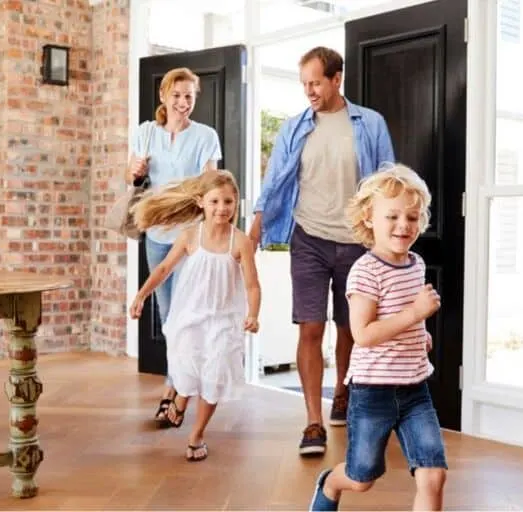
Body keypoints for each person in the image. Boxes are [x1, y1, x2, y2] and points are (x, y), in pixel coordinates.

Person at [249, 46, 396, 456]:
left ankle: (343, 393)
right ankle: (313, 421)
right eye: (304, 84)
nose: (309, 91)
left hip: (357, 243)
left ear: (337, 78)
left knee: (351, 328)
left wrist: (389, 236)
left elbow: (387, 181)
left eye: (315, 82)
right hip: (309, 237)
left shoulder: (370, 124)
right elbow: (275, 180)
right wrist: (255, 228)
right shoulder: (295, 127)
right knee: (310, 327)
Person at [308, 165, 447, 511]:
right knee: (361, 477)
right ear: (369, 217)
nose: (404, 225)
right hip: (373, 392)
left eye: (412, 217)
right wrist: (415, 314)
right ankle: (330, 483)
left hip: (415, 390)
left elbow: (403, 316)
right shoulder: (366, 271)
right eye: (393, 216)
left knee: (434, 475)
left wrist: (420, 334)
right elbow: (363, 334)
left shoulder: (415, 264)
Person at [128, 170, 261, 462]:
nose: (222, 208)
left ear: (236, 203)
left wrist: (253, 314)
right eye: (214, 201)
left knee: (214, 378)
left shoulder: (240, 242)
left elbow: (252, 285)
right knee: (187, 366)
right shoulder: (191, 236)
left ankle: (196, 434)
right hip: (190, 316)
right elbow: (163, 269)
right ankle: (180, 401)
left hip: (224, 320)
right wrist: (141, 294)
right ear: (201, 202)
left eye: (228, 201)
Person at [127, 67, 223, 426]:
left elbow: (210, 184)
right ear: (164, 97)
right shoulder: (145, 132)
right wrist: (135, 171)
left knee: (186, 316)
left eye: (189, 97)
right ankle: (180, 382)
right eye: (177, 96)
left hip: (188, 239)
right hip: (155, 236)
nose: (183, 103)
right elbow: (131, 177)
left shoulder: (205, 136)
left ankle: (174, 389)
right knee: (169, 319)